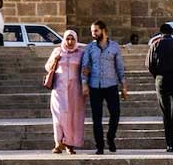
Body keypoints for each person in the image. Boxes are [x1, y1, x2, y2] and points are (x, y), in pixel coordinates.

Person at [81, 20, 128, 155]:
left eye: (96, 31)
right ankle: (100, 146)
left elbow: (119, 67)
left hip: (111, 85)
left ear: (103, 30)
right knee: (97, 117)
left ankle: (110, 137)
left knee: (115, 113)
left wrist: (124, 85)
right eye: (92, 31)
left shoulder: (114, 47)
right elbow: (85, 67)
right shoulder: (90, 48)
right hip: (95, 86)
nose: (93, 34)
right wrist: (84, 83)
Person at [147, 22, 173, 153]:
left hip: (162, 79)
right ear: (171, 33)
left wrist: (157, 75)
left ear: (161, 33)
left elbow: (149, 64)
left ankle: (170, 143)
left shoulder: (155, 45)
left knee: (166, 112)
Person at [46, 29, 85, 154]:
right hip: (59, 89)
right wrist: (55, 60)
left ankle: (69, 143)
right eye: (67, 39)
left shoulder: (81, 53)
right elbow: (47, 67)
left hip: (75, 90)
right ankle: (58, 143)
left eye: (72, 39)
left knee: (73, 116)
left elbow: (85, 69)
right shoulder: (57, 51)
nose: (70, 41)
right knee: (59, 115)